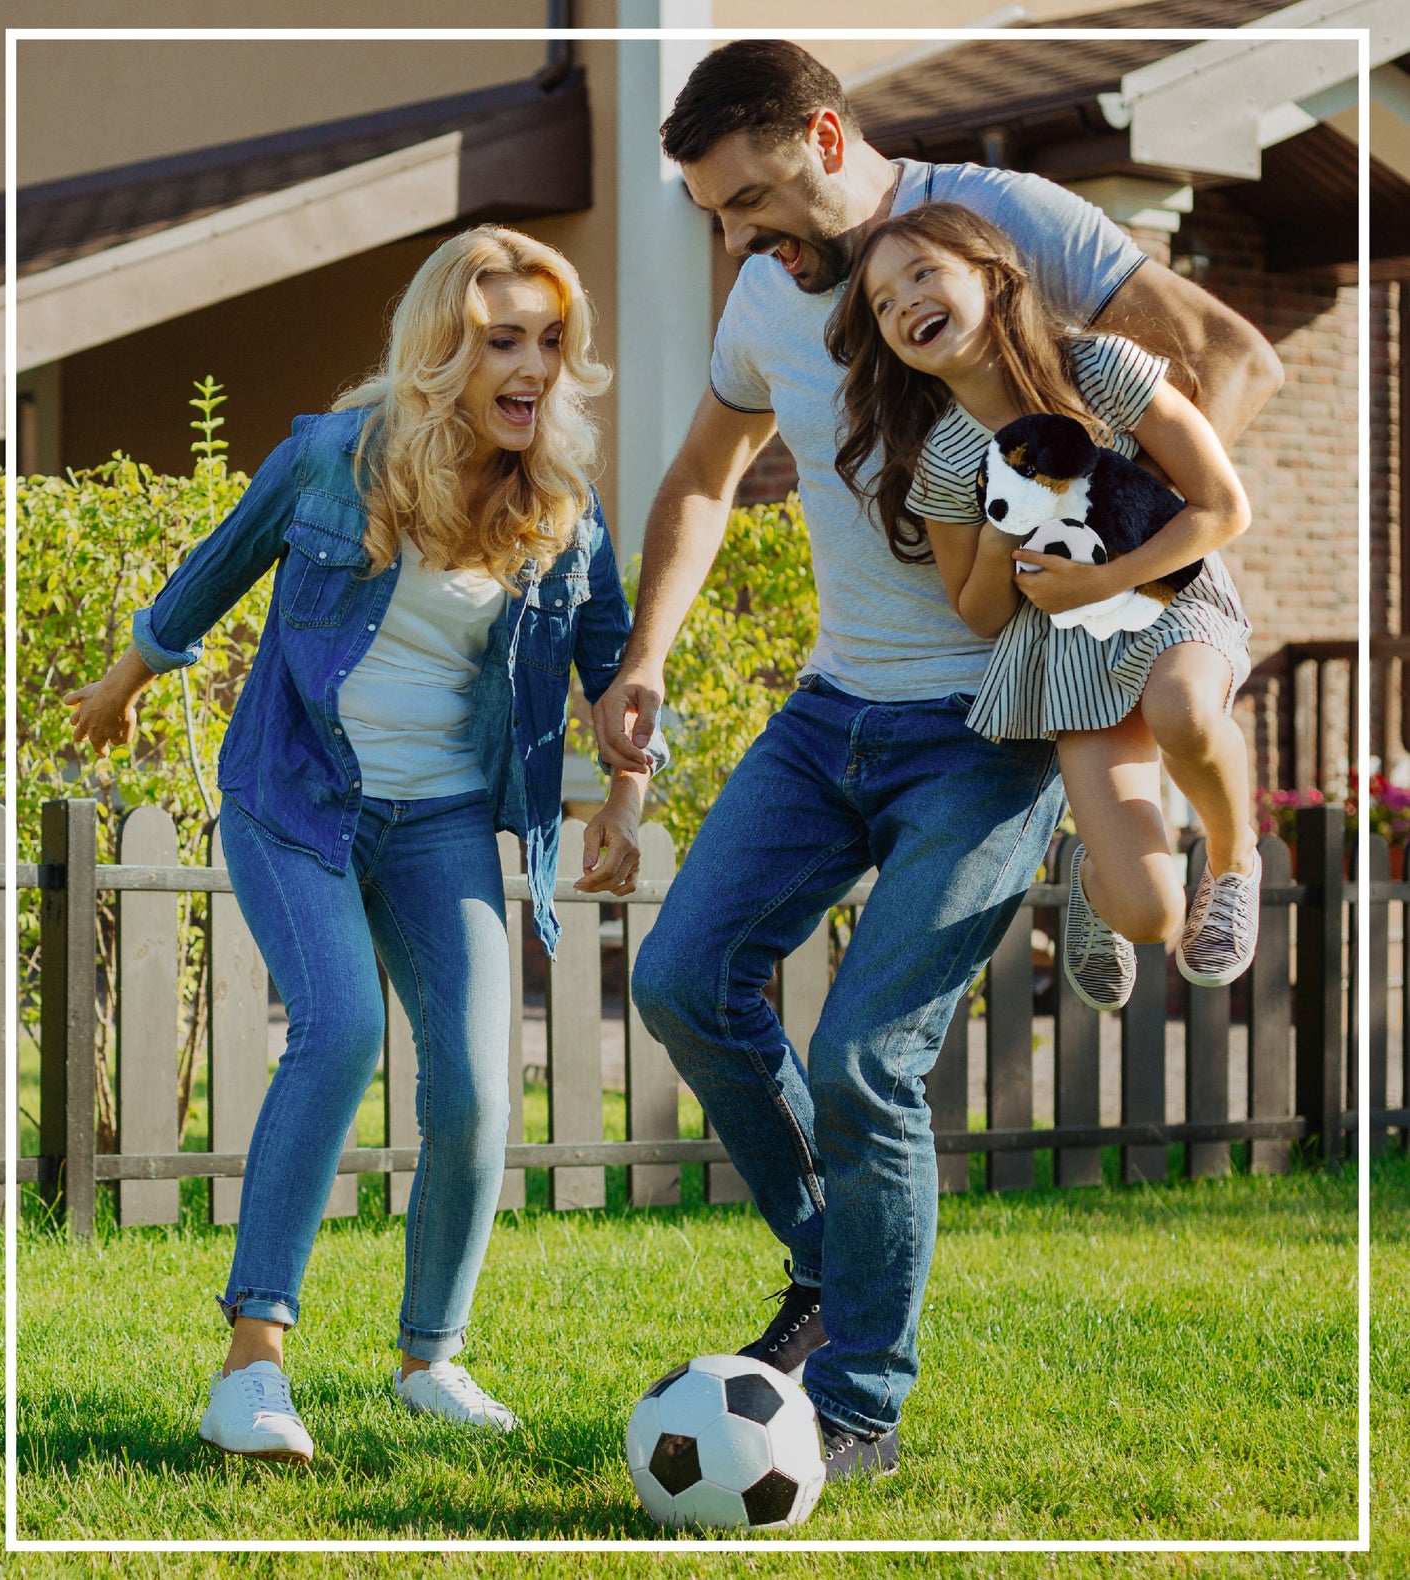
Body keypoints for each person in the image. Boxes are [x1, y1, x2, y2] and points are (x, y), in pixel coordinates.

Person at [595, 39, 1281, 1480]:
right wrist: (645, 656)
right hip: (831, 709)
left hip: (996, 725)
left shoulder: (1011, 223)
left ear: (826, 136)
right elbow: (705, 479)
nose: (737, 236)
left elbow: (1230, 359)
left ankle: (856, 1404)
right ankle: (834, 1269)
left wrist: (1110, 561)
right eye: (717, 213)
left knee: (864, 1060)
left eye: (754, 198)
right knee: (680, 983)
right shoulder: (765, 295)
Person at [64, 226, 664, 1464]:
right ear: (442, 348)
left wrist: (624, 794)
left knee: (479, 1084)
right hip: (298, 796)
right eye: (504, 340)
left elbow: (614, 666)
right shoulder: (333, 458)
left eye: (552, 343)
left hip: (442, 818)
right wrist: (122, 683)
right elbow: (212, 570)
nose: (533, 367)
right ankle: (251, 1369)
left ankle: (429, 1358)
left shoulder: (559, 503)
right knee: (336, 1029)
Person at [828, 202, 1259, 1010]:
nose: (903, 303)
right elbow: (982, 614)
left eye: (922, 273)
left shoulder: (1097, 369)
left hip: (1171, 600)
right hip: (1065, 656)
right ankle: (1098, 883)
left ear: (991, 277)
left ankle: (1234, 861)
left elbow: (1221, 509)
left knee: (1182, 707)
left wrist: (1105, 578)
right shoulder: (947, 461)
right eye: (882, 304)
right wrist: (1000, 531)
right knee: (1147, 913)